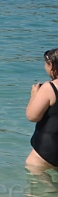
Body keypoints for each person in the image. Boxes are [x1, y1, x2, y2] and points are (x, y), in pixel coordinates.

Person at [27, 49, 58, 183]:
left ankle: (50, 191)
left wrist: (34, 96)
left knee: (34, 169)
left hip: (48, 146)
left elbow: (32, 116)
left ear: (51, 65)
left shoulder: (49, 87)